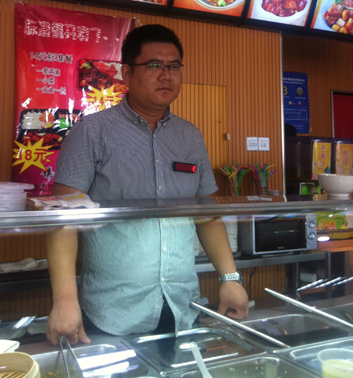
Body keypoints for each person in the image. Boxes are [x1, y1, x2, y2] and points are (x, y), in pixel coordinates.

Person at [46, 24, 248, 346]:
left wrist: (230, 278)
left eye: (174, 66)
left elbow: (207, 215)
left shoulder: (190, 137)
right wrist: (65, 301)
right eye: (154, 65)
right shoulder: (92, 132)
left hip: (182, 306)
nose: (166, 75)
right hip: (114, 311)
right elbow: (63, 220)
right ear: (127, 73)